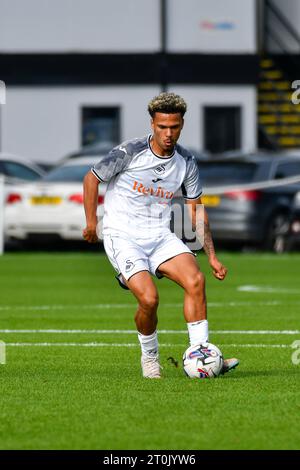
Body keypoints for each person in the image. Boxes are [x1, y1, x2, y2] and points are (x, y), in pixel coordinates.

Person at [83, 92, 239, 379]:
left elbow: (196, 211)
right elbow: (91, 178)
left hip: (159, 235)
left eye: (174, 127)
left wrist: (213, 257)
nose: (168, 134)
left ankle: (201, 355)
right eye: (162, 127)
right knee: (150, 300)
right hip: (123, 236)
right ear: (153, 124)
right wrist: (92, 223)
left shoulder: (186, 161)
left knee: (196, 280)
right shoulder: (129, 152)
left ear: (181, 125)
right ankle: (150, 356)